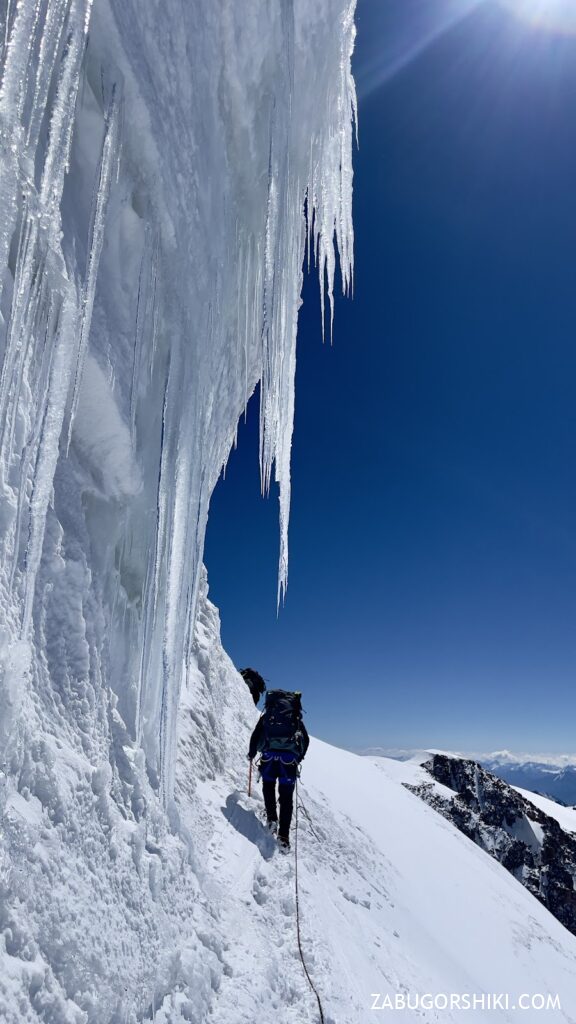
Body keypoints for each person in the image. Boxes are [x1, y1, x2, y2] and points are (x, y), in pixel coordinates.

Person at [248, 690, 309, 851]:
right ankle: (283, 837)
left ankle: (272, 819)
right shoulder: (294, 717)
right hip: (288, 762)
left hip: (268, 758)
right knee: (286, 798)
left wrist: (252, 753)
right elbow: (306, 740)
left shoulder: (268, 717)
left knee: (268, 787)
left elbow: (255, 736)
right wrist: (298, 758)